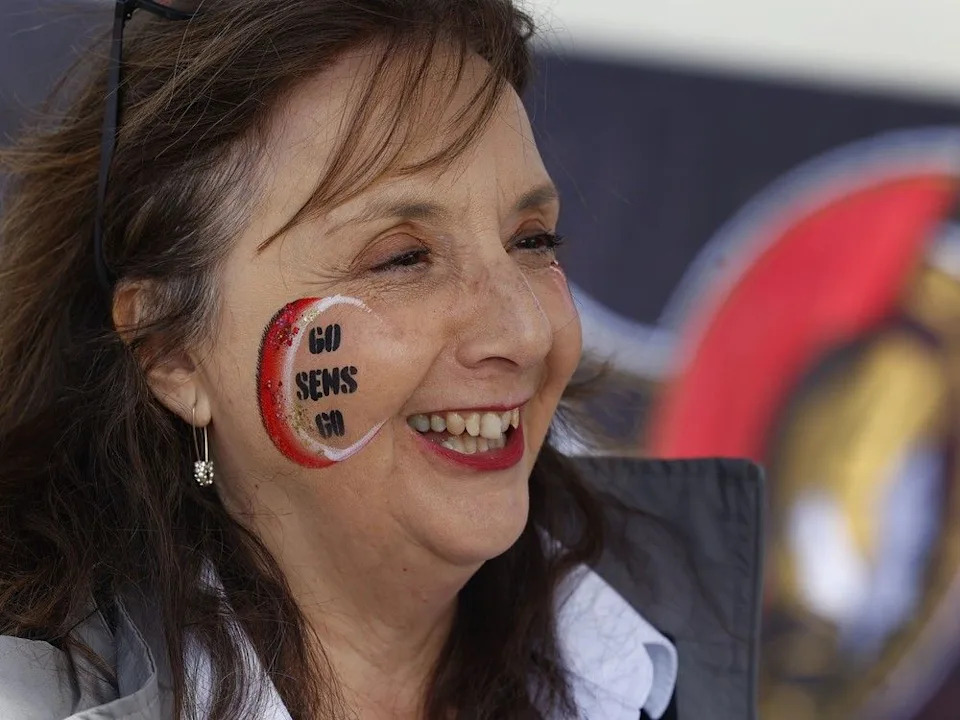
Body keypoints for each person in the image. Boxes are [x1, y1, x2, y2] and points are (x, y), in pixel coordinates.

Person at [0, 1, 763, 718]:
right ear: (171, 352)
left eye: (532, 241)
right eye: (402, 258)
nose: (525, 332)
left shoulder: (649, 666)